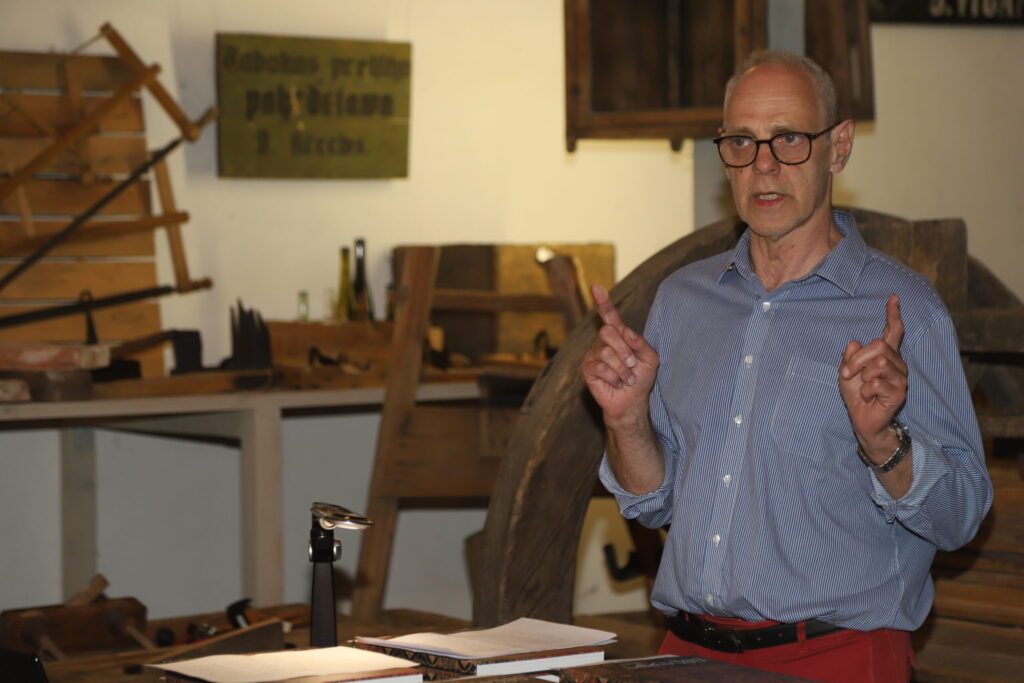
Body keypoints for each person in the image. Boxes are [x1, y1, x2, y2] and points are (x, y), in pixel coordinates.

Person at [581, 50, 992, 683]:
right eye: (741, 141)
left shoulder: (903, 308)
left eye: (790, 139)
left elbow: (962, 517)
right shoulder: (684, 299)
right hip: (686, 654)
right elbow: (652, 506)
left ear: (839, 146)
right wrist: (628, 420)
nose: (764, 165)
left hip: (837, 658)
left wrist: (884, 442)